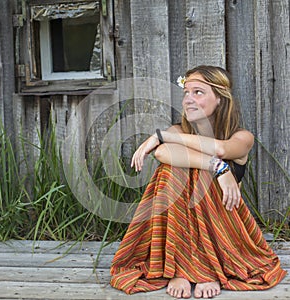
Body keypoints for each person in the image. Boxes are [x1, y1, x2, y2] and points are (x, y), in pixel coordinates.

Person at [110, 65, 286, 298]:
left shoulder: (241, 137)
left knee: (199, 173)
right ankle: (182, 264)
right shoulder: (178, 130)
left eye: (198, 92)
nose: (188, 100)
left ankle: (205, 264)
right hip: (181, 223)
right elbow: (162, 154)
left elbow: (221, 149)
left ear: (220, 99)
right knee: (173, 170)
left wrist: (161, 135)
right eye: (186, 93)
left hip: (222, 229)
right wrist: (218, 168)